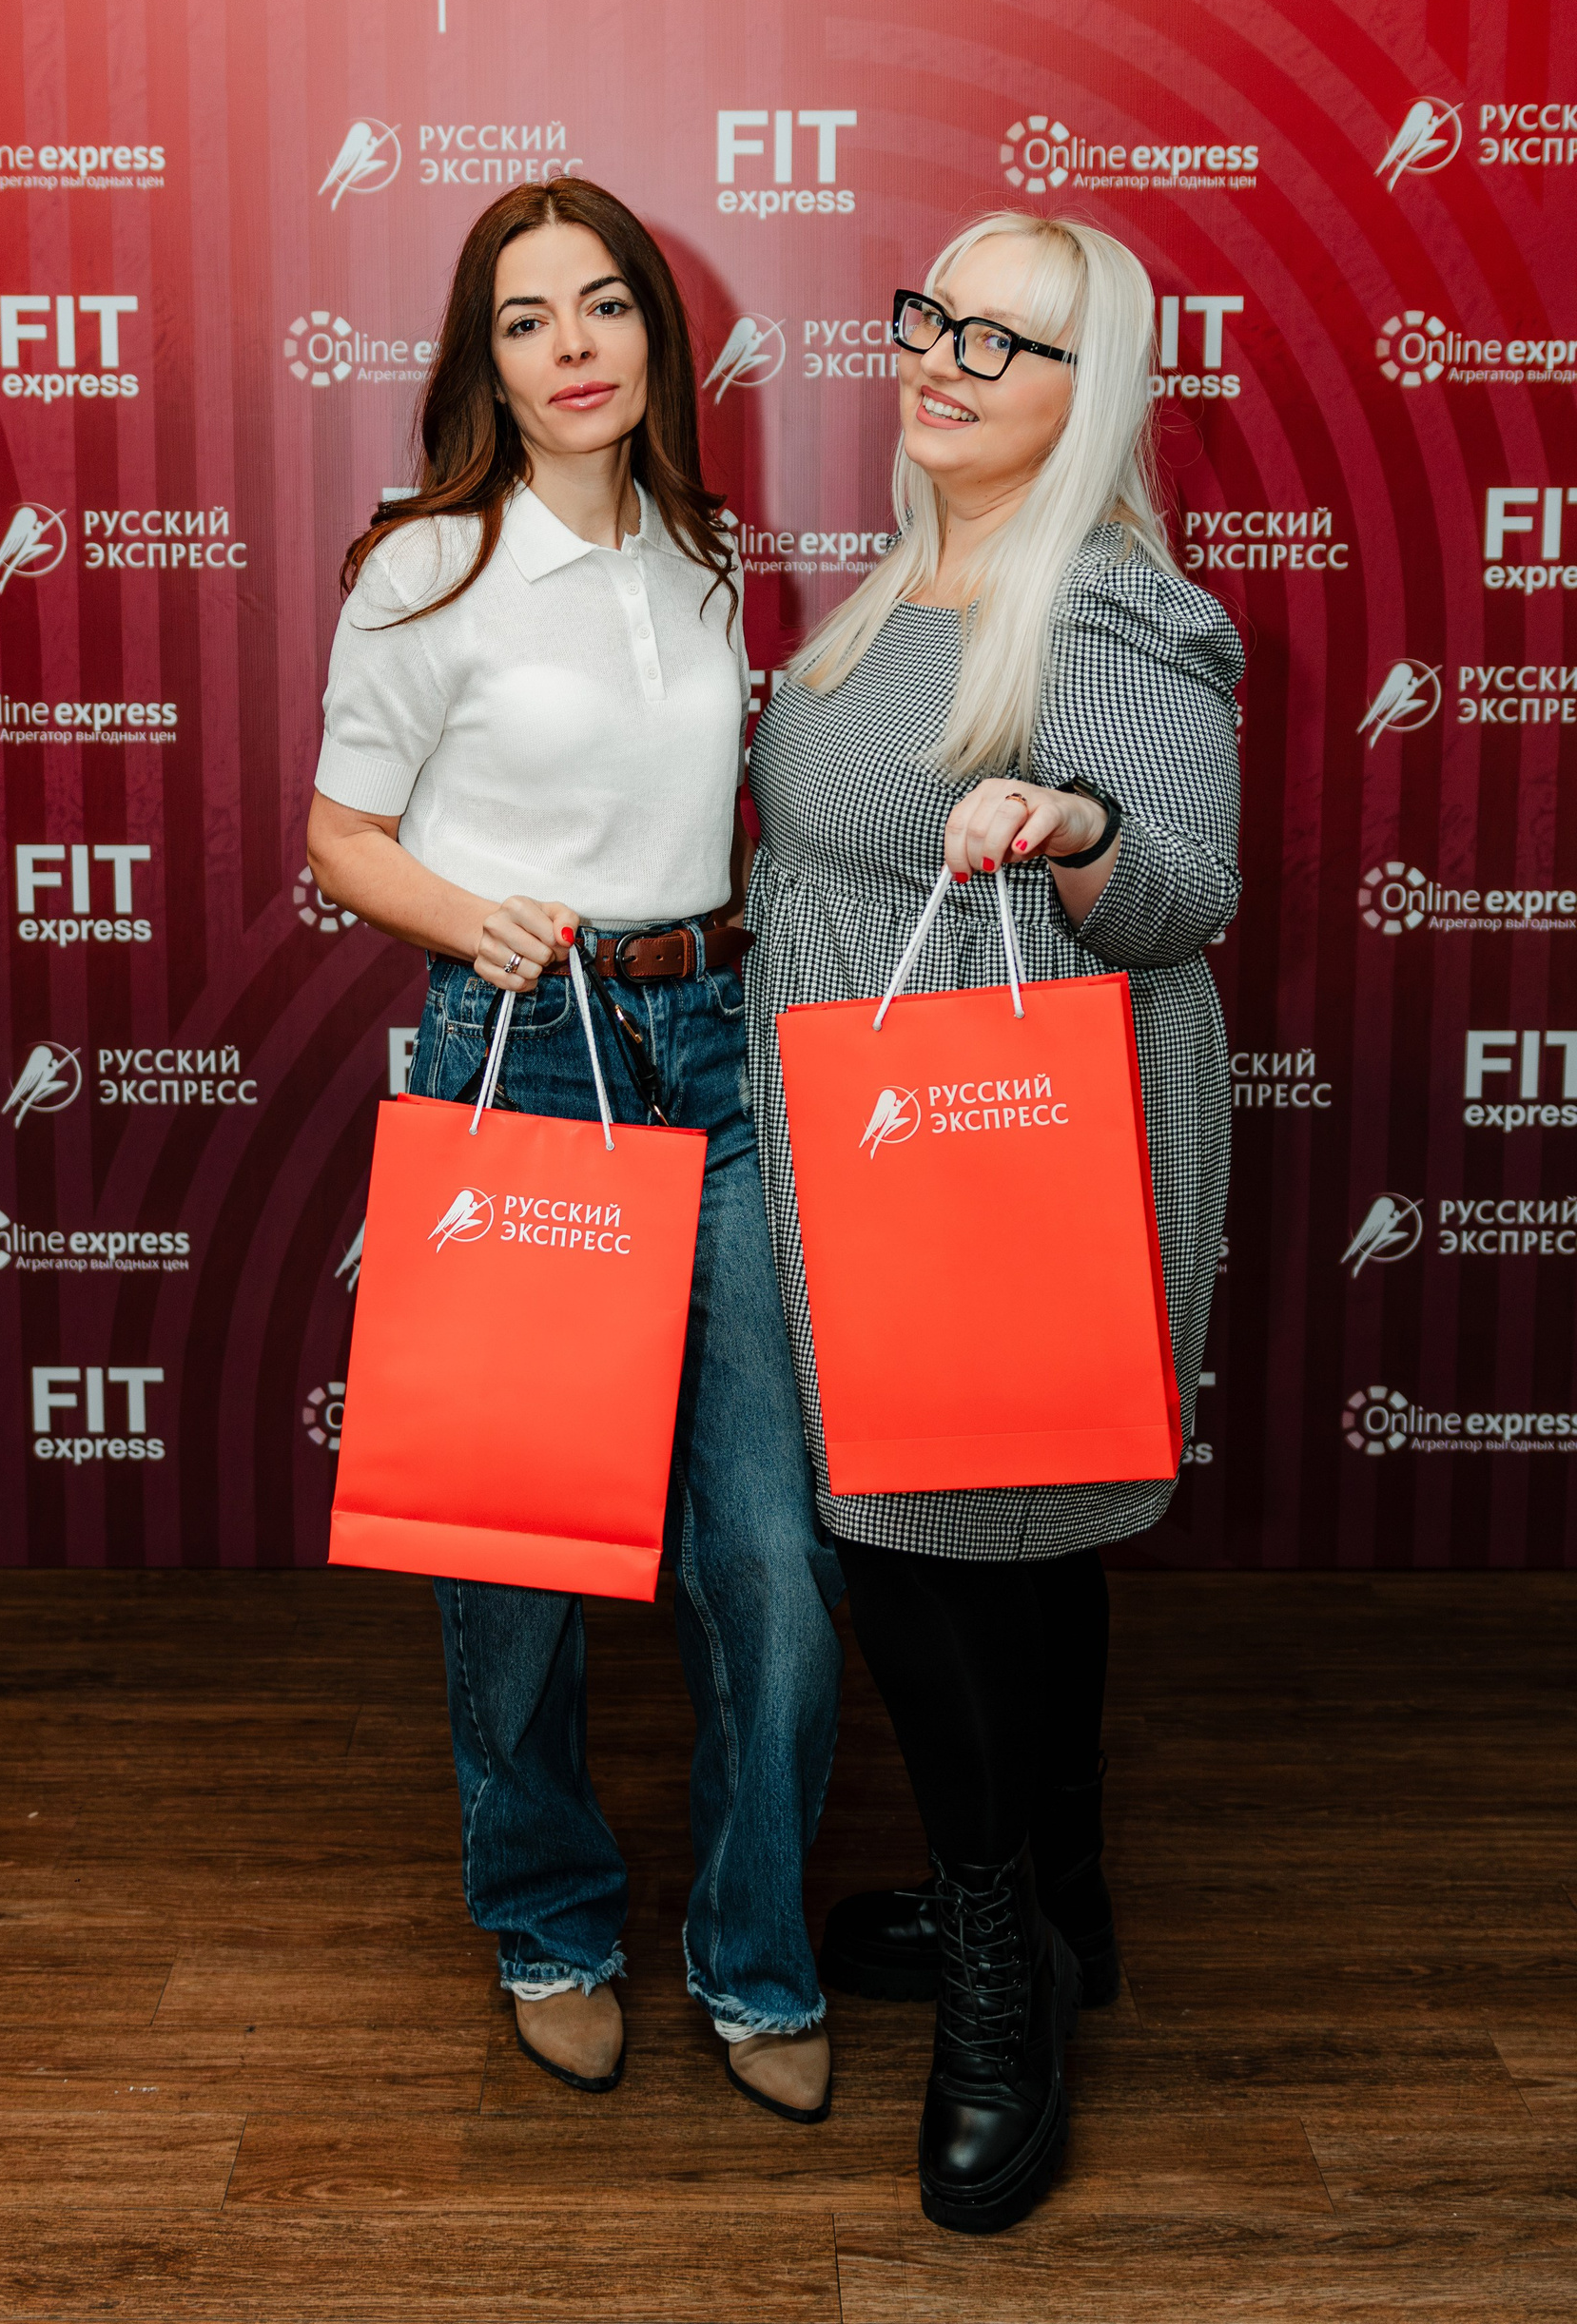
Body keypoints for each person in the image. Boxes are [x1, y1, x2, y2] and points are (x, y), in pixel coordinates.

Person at [306, 180, 844, 2124]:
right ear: (485, 358)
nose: (572, 347)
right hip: (527, 1055)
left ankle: (755, 1951)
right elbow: (339, 837)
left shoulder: (702, 549)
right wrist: (481, 923)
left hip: (716, 1052)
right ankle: (547, 1922)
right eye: (526, 319)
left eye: (603, 305)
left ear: (654, 335)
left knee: (774, 1559)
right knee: (516, 1553)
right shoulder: (424, 567)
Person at [743, 210, 1242, 2229]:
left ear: (1088, 389)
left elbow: (1188, 887)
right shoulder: (906, 580)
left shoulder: (1109, 600)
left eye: (1005, 344)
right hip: (869, 1128)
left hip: (1005, 1138)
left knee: (925, 1536)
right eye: (934, 318)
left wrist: (1075, 822)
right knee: (1000, 1537)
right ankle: (1065, 1896)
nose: (943, 360)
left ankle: (997, 1968)